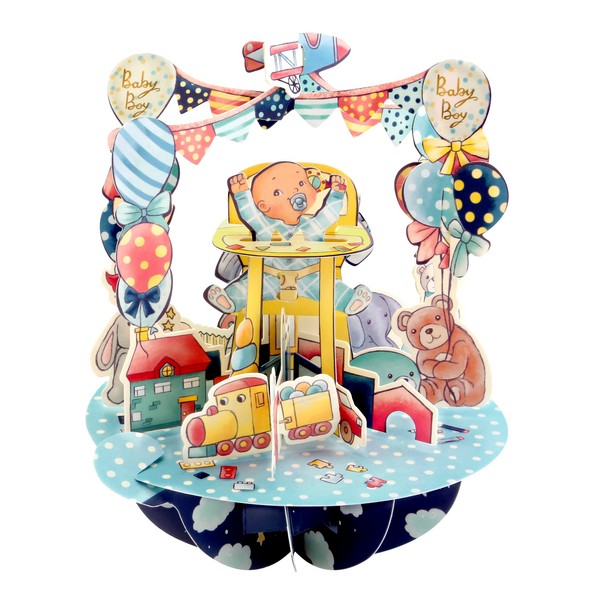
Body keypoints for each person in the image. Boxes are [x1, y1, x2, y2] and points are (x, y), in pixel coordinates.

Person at [204, 161, 371, 315]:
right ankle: (230, 300)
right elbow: (250, 215)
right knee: (250, 286)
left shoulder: (313, 225)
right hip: (268, 276)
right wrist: (241, 195)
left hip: (311, 276)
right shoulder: (264, 224)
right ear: (263, 206)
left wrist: (336, 194)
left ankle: (349, 301)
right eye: (278, 192)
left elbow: (329, 215)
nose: (296, 191)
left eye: (301, 184)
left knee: (329, 288)